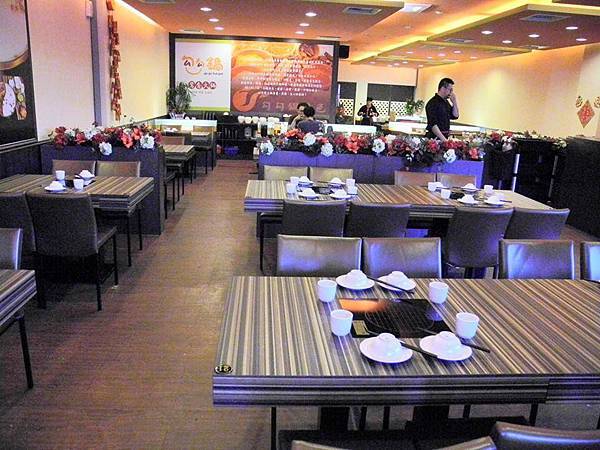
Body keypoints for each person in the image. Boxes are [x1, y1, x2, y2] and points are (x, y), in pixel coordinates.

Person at [425, 78, 459, 142]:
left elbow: (455, 116)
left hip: (445, 137)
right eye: (450, 90)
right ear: (443, 88)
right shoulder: (432, 103)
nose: (451, 92)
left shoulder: (446, 102)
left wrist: (454, 102)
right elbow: (433, 124)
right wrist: (444, 140)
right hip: (434, 138)